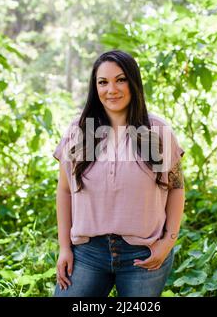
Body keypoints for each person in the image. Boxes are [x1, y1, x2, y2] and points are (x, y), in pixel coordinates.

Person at [52, 50, 185, 297]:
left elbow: (176, 187)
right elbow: (64, 190)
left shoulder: (157, 131)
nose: (111, 89)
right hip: (88, 253)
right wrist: (64, 248)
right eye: (103, 82)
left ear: (133, 82)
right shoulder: (79, 130)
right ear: (95, 87)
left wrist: (168, 242)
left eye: (120, 79)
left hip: (143, 253)